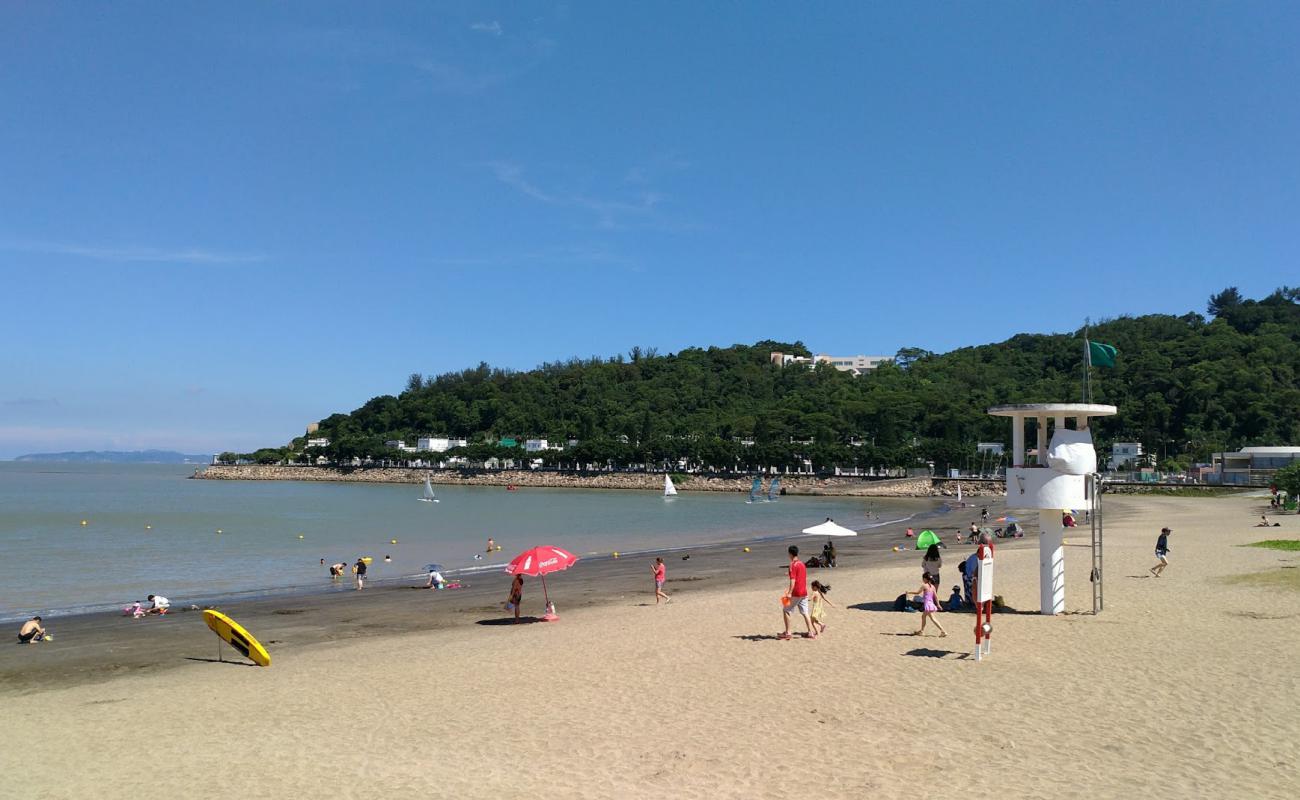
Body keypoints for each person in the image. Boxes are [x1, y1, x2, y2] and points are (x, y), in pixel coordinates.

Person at [780, 545, 815, 640]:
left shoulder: (792, 564)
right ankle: (811, 632)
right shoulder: (802, 564)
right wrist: (789, 573)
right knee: (805, 612)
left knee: (786, 610)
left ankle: (788, 632)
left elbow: (793, 580)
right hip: (804, 592)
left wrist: (789, 592)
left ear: (790, 553)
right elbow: (800, 575)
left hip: (796, 592)